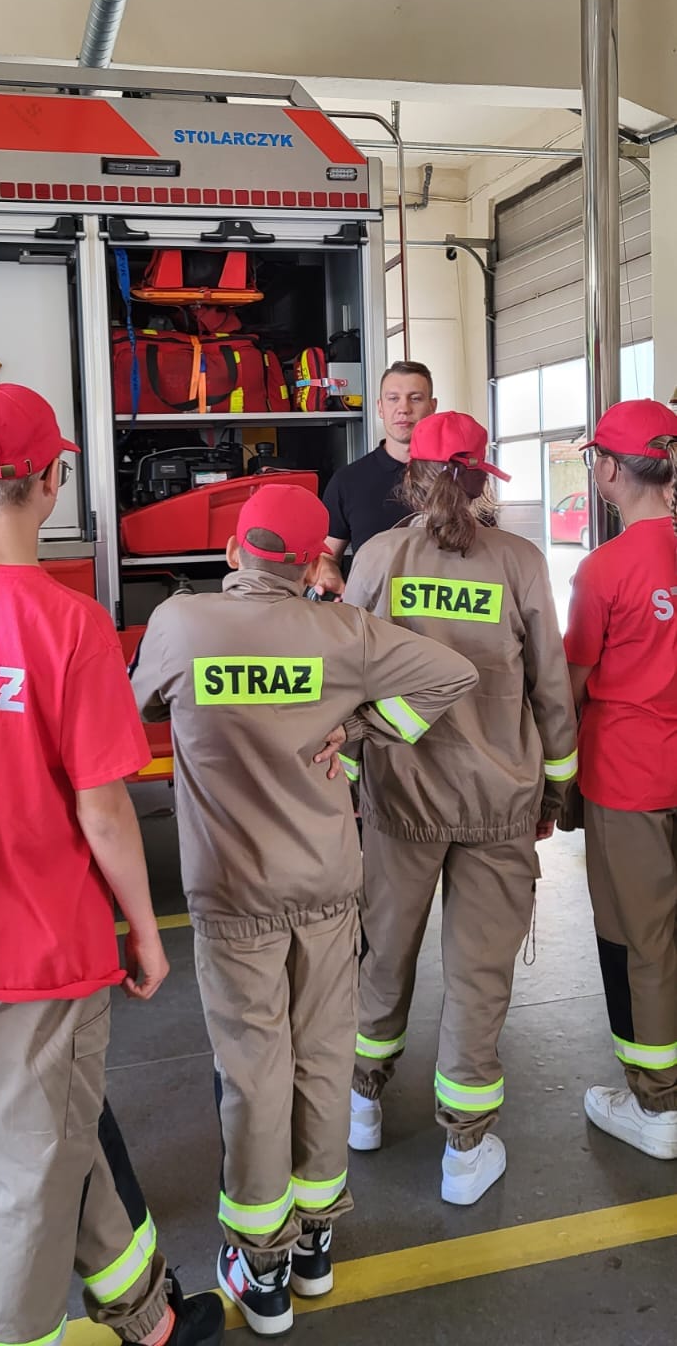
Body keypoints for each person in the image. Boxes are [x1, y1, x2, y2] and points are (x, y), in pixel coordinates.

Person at [129, 484, 477, 1336]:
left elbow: (133, 710)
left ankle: (262, 1268)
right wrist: (362, 728)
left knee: (254, 1068)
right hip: (325, 881)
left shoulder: (180, 623)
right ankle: (316, 1245)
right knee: (321, 1056)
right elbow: (453, 673)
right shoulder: (343, 633)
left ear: (233, 551)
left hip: (231, 891)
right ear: (314, 560)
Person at [0, 384, 224, 1346]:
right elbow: (104, 810)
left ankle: (143, 1313)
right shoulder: (70, 626)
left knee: (51, 1119)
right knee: (30, 1163)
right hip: (44, 936)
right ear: (52, 482)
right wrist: (145, 932)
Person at [343, 411, 578, 1206]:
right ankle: (464, 1152)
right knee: (479, 975)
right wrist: (553, 790)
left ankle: (362, 1103)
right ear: (481, 479)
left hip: (399, 796)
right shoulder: (520, 562)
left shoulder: (377, 558)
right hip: (496, 799)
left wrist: (352, 783)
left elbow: (346, 676)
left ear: (410, 478)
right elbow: (550, 688)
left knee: (382, 953)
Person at [564, 399, 677, 1159]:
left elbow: (570, 683)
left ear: (607, 469)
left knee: (638, 938)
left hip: (628, 778)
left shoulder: (603, 569)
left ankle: (656, 1104)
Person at [311, 360, 437, 596]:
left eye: (415, 398)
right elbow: (326, 555)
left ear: (432, 406)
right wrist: (329, 574)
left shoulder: (455, 479)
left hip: (444, 615)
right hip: (371, 614)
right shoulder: (347, 481)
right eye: (393, 398)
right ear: (380, 408)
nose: (403, 408)